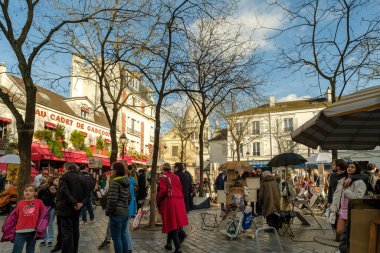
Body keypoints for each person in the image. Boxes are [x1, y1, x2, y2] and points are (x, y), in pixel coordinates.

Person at [55, 162, 88, 253]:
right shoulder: (82, 178)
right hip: (77, 208)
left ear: (67, 169)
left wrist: (75, 203)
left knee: (67, 232)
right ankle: (75, 250)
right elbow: (87, 193)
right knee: (75, 229)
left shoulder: (65, 177)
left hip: (65, 208)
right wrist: (80, 203)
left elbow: (65, 192)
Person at [157, 163, 188, 253]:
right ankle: (168, 244)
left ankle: (178, 247)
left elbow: (162, 191)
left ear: (163, 169)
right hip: (178, 201)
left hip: (169, 202)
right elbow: (180, 189)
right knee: (172, 223)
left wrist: (157, 200)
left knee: (172, 224)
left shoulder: (163, 177)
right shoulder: (176, 177)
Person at [330, 162, 366, 241]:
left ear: (356, 169)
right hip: (341, 210)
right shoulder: (342, 180)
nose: (349, 168)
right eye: (348, 167)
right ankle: (340, 248)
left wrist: (346, 190)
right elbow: (336, 195)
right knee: (339, 232)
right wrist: (334, 207)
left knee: (350, 234)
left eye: (352, 167)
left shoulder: (360, 182)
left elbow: (358, 197)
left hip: (353, 211)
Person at [106, 162, 131, 253]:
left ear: (115, 171)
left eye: (112, 169)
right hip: (125, 212)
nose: (111, 171)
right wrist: (124, 206)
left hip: (116, 214)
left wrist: (108, 211)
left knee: (116, 238)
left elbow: (112, 200)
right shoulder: (126, 181)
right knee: (123, 235)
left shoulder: (115, 183)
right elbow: (129, 197)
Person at [12, 184, 45, 253]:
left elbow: (43, 215)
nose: (27, 192)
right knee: (16, 251)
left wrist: (41, 228)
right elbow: (17, 215)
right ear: (23, 192)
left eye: (31, 191)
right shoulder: (20, 203)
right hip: (20, 232)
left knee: (30, 250)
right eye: (26, 190)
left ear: (35, 193)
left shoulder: (39, 202)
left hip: (33, 232)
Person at [37, 177, 58, 247]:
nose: (57, 181)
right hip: (44, 208)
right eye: (56, 180)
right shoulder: (44, 188)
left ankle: (50, 239)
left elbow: (57, 198)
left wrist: (54, 193)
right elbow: (39, 197)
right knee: (44, 223)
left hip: (52, 208)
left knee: (50, 224)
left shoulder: (57, 188)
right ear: (52, 181)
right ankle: (44, 239)